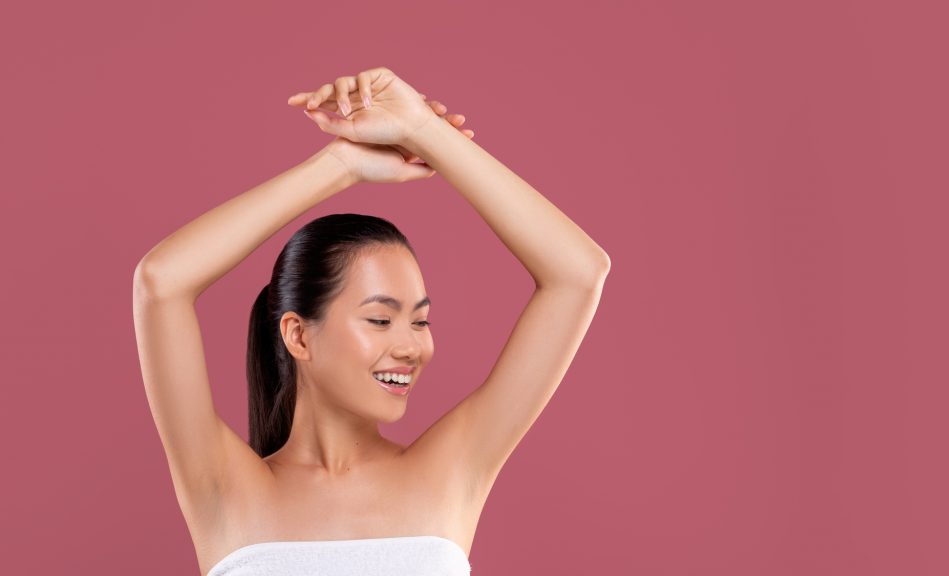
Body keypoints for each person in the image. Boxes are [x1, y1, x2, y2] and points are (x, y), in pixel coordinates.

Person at [132, 67, 610, 576]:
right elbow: (162, 282)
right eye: (381, 320)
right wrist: (340, 164)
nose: (411, 348)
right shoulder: (224, 488)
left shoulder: (451, 468)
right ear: (297, 334)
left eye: (420, 322)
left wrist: (425, 130)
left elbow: (578, 273)